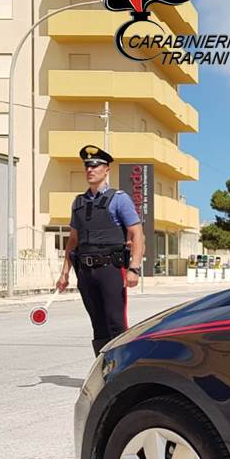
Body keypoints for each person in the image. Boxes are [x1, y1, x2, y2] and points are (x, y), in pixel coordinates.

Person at [56, 145, 145, 356]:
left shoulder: (119, 198)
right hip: (85, 272)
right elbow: (73, 240)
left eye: (95, 165)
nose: (90, 169)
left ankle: (123, 371)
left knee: (115, 322)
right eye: (87, 166)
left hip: (111, 269)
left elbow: (137, 234)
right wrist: (64, 273)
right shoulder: (78, 202)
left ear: (107, 169)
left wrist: (134, 268)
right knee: (98, 324)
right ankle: (105, 372)